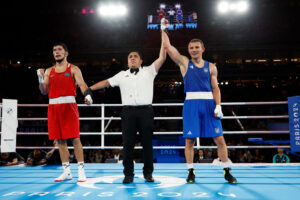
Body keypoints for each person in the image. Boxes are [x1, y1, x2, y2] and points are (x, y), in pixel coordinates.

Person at [161, 19, 237, 184]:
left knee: (220, 139)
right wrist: (163, 29)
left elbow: (216, 88)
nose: (194, 50)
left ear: (202, 49)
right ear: (188, 50)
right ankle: (190, 172)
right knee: (189, 140)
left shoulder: (211, 67)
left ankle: (226, 170)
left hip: (209, 104)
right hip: (191, 105)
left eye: (197, 47)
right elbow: (168, 47)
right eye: (191, 48)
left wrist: (218, 105)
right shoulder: (184, 63)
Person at [87, 31, 166, 184]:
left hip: (146, 111)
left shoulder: (149, 71)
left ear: (141, 60)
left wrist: (163, 33)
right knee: (127, 144)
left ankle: (148, 173)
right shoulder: (122, 75)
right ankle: (128, 174)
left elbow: (162, 56)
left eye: (135, 56)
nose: (132, 58)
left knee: (147, 144)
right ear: (128, 61)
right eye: (130, 57)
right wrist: (89, 89)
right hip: (128, 112)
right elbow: (105, 83)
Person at [36, 42, 92, 182]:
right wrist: (40, 78)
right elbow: (44, 91)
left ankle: (81, 171)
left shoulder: (73, 68)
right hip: (53, 106)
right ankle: (66, 171)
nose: (57, 52)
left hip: (69, 106)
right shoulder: (49, 71)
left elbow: (81, 83)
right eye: (54, 50)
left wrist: (87, 94)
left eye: (60, 50)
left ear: (66, 53)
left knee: (75, 138)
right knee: (60, 140)